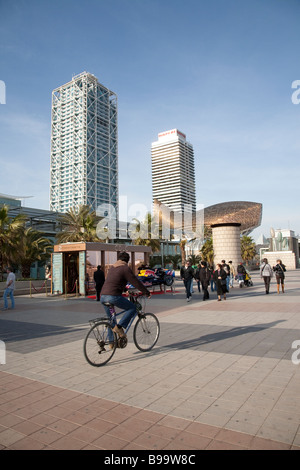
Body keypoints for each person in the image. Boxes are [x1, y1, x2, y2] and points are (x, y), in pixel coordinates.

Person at [100, 252, 151, 339]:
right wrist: (146, 292)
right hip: (113, 296)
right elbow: (135, 281)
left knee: (111, 319)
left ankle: (111, 342)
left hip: (103, 296)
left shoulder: (112, 268)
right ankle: (120, 327)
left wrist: (125, 290)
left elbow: (115, 281)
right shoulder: (124, 268)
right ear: (127, 260)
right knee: (133, 308)